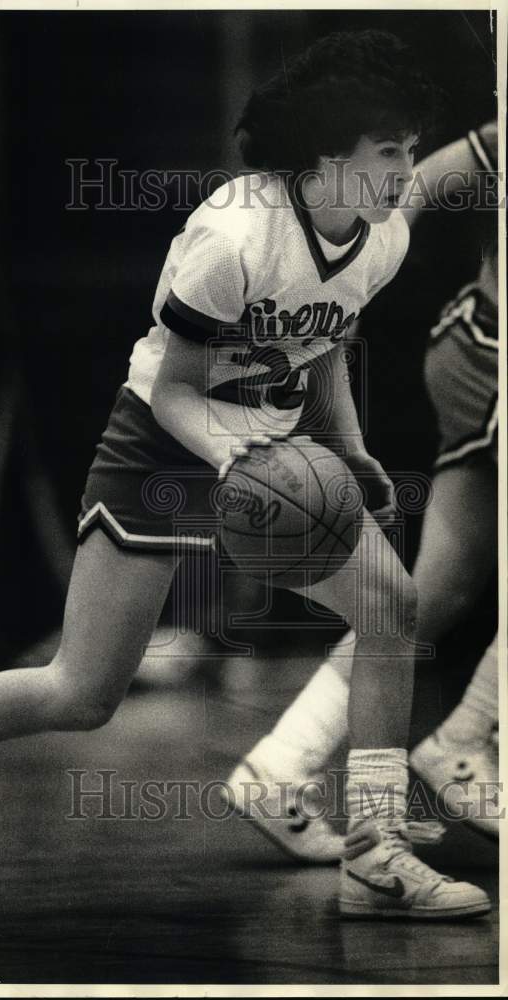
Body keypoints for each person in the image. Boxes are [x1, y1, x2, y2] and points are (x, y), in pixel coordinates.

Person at [0, 31, 491, 919]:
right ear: (329, 157)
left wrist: (349, 444)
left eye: (410, 147)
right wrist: (228, 457)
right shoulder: (233, 234)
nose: (410, 168)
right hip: (165, 446)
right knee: (83, 693)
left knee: (390, 611)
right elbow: (172, 390)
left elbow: (326, 342)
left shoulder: (382, 236)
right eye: (392, 150)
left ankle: (375, 849)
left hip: (270, 449)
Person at [226, 121, 500, 851]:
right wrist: (350, 289)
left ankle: (280, 766)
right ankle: (470, 743)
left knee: (428, 595)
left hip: (478, 353)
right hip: (492, 353)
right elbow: (425, 185)